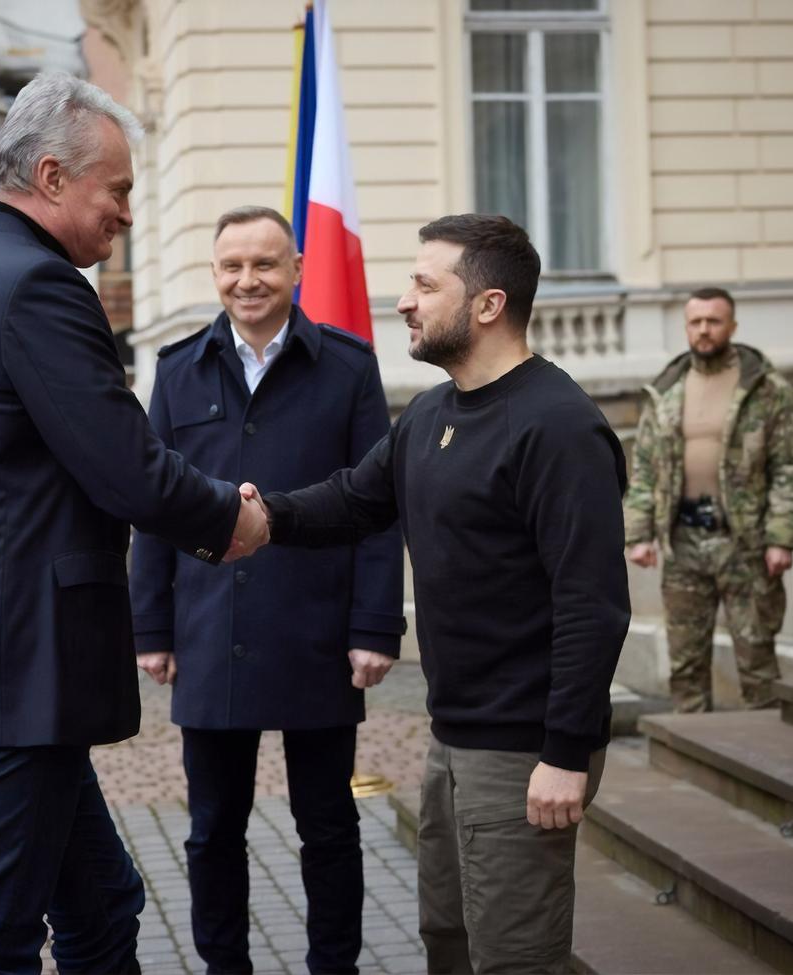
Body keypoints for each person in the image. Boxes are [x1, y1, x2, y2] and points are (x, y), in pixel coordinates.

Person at [0, 72, 269, 974]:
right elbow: (126, 467)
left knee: (102, 906)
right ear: (51, 176)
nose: (127, 212)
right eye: (115, 189)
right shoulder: (37, 286)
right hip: (11, 669)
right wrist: (231, 518)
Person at [249, 214, 631, 974]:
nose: (404, 301)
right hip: (453, 736)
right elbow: (353, 500)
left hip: (524, 749)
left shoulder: (559, 426)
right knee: (448, 941)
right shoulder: (430, 413)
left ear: (488, 304)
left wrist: (565, 752)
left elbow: (593, 605)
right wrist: (259, 518)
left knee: (515, 959)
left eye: (425, 284)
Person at [128, 206, 405, 975]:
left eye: (264, 264)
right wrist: (151, 627)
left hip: (317, 630)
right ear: (215, 273)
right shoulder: (177, 369)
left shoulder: (348, 367)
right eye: (232, 265)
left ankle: (334, 966)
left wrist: (375, 625)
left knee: (329, 825)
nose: (247, 280)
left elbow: (379, 506)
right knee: (213, 829)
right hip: (211, 631)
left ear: (296, 270)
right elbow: (153, 506)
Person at [623, 287, 793, 713]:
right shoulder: (666, 391)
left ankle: (768, 748)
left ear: (732, 326)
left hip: (745, 543)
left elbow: (792, 465)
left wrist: (781, 537)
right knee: (685, 664)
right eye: (696, 322)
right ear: (686, 328)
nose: (704, 330)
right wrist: (638, 534)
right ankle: (690, 745)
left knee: (757, 661)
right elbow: (646, 468)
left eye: (714, 321)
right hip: (683, 543)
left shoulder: (765, 390)